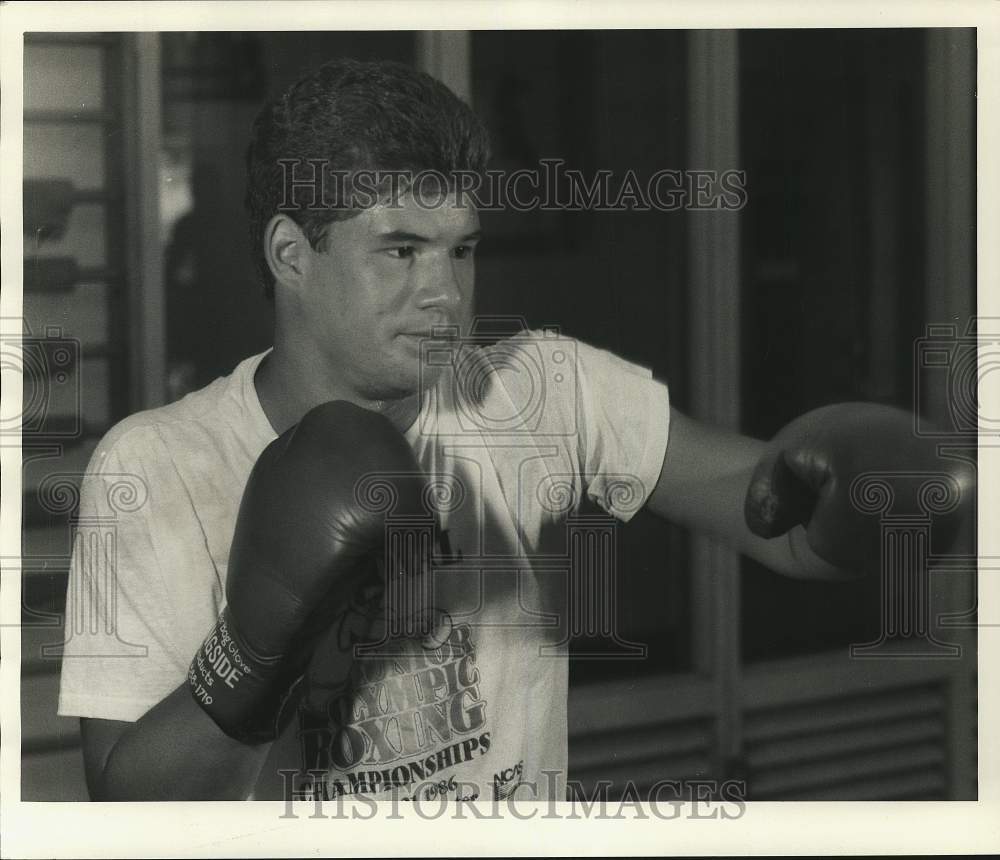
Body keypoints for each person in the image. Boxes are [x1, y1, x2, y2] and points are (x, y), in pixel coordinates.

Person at [56, 58, 973, 803]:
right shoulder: (159, 464)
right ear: (291, 254)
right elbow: (131, 806)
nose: (445, 293)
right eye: (401, 250)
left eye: (462, 250)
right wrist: (252, 651)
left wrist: (874, 497)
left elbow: (788, 532)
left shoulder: (539, 387)